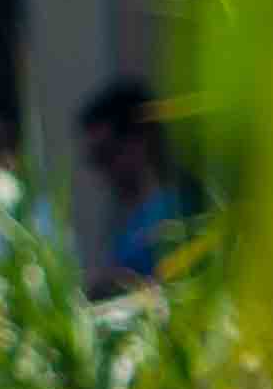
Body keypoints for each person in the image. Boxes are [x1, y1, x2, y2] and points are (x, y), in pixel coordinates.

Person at [78, 76, 195, 293]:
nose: (102, 170)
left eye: (106, 154)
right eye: (95, 159)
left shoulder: (180, 211)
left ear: (140, 140)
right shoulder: (126, 219)